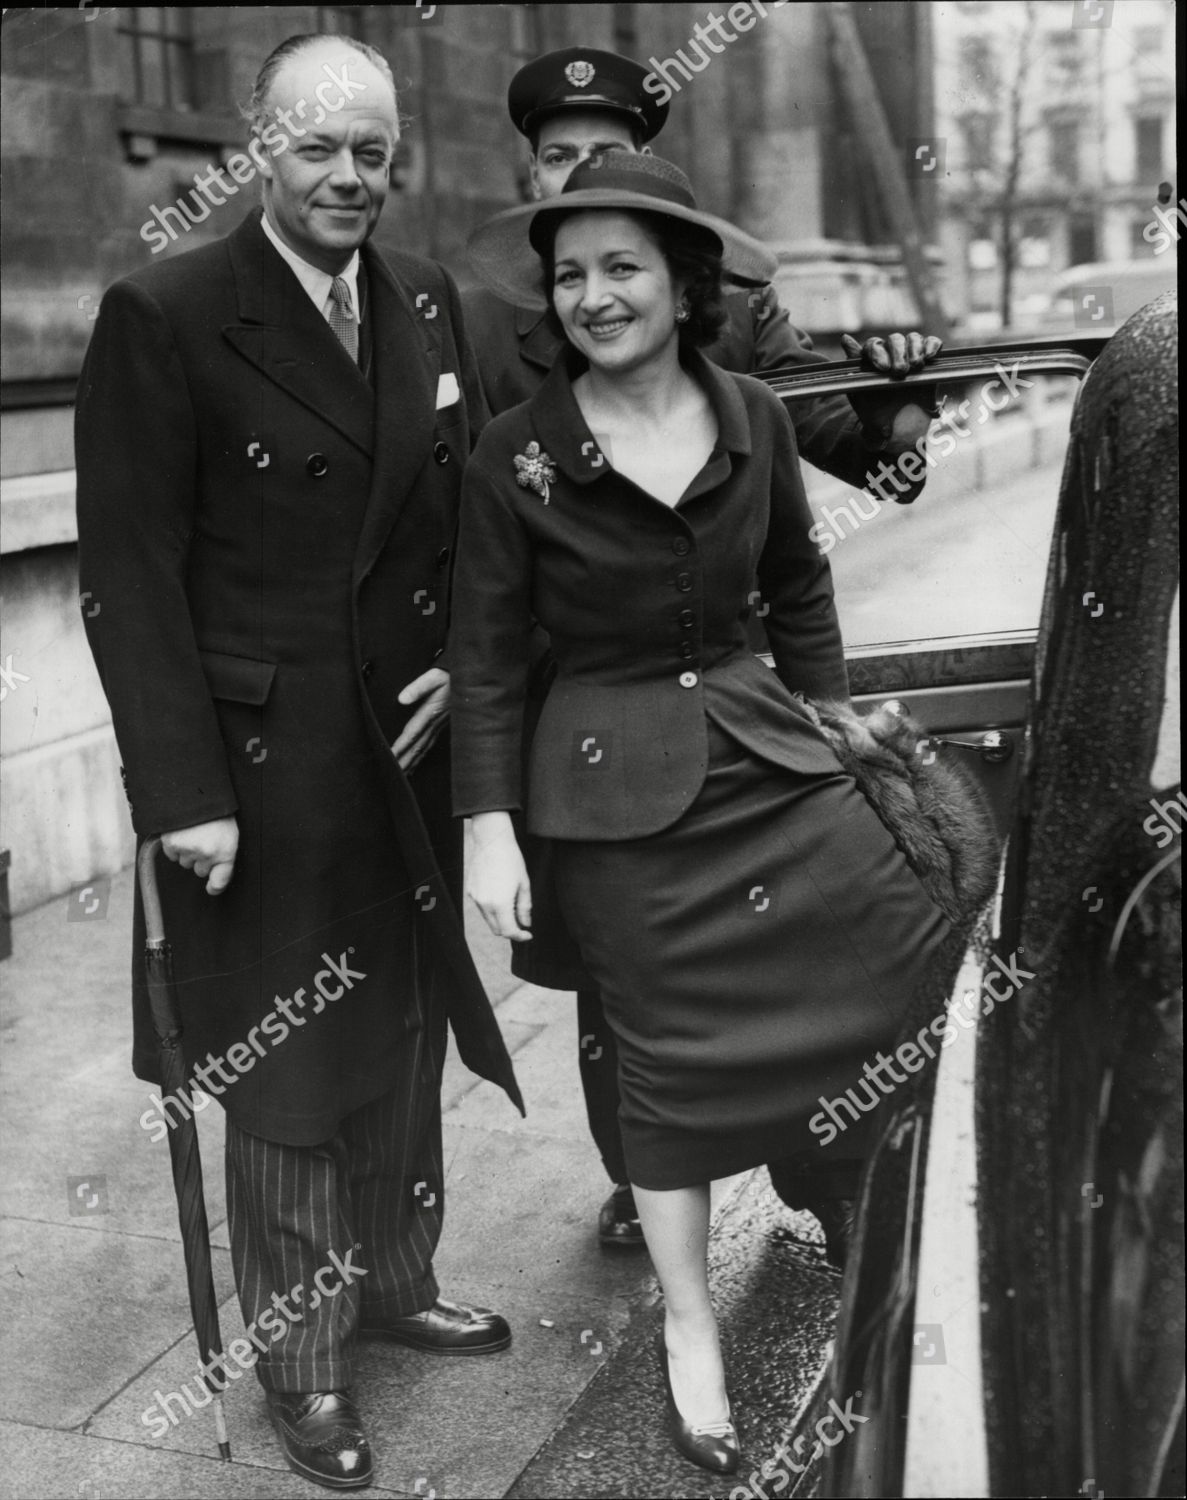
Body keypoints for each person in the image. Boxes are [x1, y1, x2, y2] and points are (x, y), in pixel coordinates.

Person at [450, 150, 954, 1476]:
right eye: (571, 277)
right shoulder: (520, 453)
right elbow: (489, 654)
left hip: (756, 751)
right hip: (606, 788)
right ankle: (688, 1329)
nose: (596, 297)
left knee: (890, 948)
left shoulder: (754, 415)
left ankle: (861, 1210)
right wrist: (488, 825)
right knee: (665, 1063)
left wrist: (834, 718)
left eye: (623, 269)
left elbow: (800, 589)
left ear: (681, 284)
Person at [75, 34, 521, 1492]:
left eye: (374, 152)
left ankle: (393, 1277)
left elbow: (477, 517)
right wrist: (182, 792)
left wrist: (466, 657)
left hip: (405, 746)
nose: (349, 178)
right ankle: (304, 1363)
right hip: (259, 775)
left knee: (398, 1027)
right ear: (258, 148)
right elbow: (127, 575)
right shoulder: (167, 311)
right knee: (284, 1066)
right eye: (319, 147)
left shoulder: (429, 299)